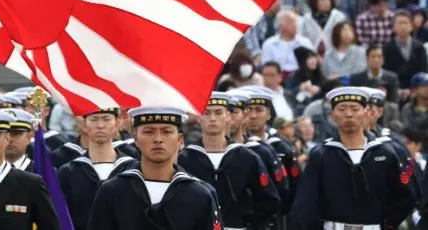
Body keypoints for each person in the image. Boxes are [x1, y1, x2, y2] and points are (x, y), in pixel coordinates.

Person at [288, 87, 417, 229]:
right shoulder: (321, 155)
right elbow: (305, 202)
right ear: (333, 115)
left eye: (355, 109)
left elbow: (405, 195)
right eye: (342, 109)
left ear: (366, 112)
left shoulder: (385, 152)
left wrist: (388, 223)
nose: (348, 114)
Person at [88, 106, 223, 229]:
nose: (158, 139)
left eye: (166, 131)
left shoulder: (200, 195)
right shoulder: (113, 191)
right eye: (148, 131)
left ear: (180, 140)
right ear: (135, 138)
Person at [179, 92, 281, 229]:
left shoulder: (246, 157)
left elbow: (269, 200)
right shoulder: (185, 158)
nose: (212, 118)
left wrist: (250, 224)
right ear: (198, 117)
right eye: (206, 113)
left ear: (228, 116)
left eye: (218, 112)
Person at [58, 107, 136, 230]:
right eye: (94, 119)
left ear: (117, 123)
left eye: (106, 119)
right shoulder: (68, 172)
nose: (100, 125)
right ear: (84, 125)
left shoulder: (133, 170)